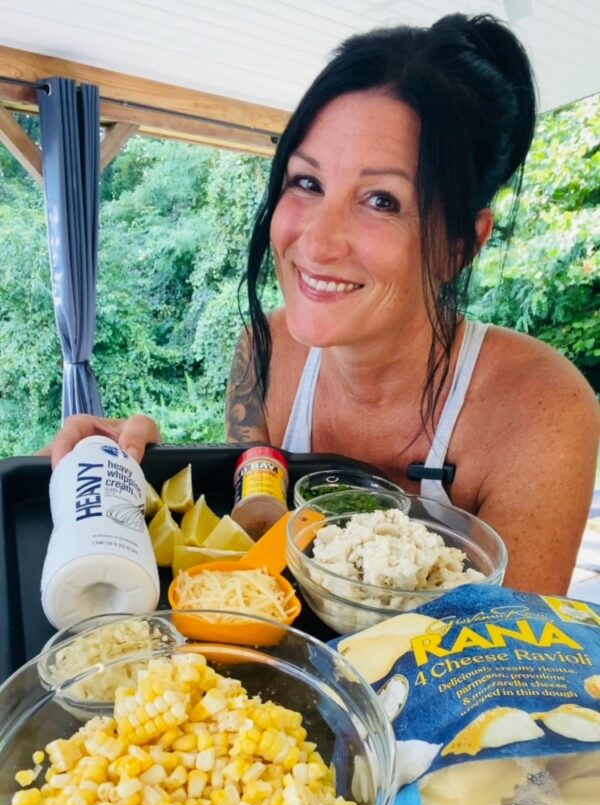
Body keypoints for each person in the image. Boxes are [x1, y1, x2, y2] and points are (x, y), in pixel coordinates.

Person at [41, 13, 599, 596]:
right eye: (307, 182)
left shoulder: (542, 409)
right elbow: (248, 533)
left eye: (381, 200)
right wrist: (133, 474)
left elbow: (514, 659)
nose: (316, 241)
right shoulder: (266, 349)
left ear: (459, 246)